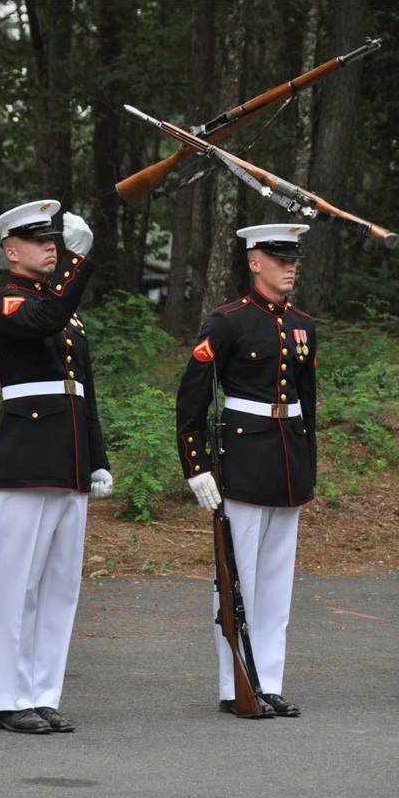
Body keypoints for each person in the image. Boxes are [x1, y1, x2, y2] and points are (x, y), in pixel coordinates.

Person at [176, 224, 317, 718]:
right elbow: (192, 397)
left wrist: (307, 467)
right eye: (279, 258)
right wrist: (196, 465)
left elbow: (308, 403)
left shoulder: (302, 324)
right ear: (255, 262)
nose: (290, 266)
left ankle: (269, 682)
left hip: (287, 462)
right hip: (243, 460)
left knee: (277, 583)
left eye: (293, 258)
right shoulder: (228, 322)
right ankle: (236, 682)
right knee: (238, 581)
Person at [0, 199, 113, 734]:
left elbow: (84, 392)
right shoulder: (5, 302)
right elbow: (46, 316)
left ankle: (41, 691)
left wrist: (98, 459)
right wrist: (79, 263)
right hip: (26, 459)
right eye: (39, 241)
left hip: (70, 458)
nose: (50, 246)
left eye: (53, 240)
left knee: (61, 585)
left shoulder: (67, 313)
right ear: (12, 252)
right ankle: (7, 699)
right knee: (18, 585)